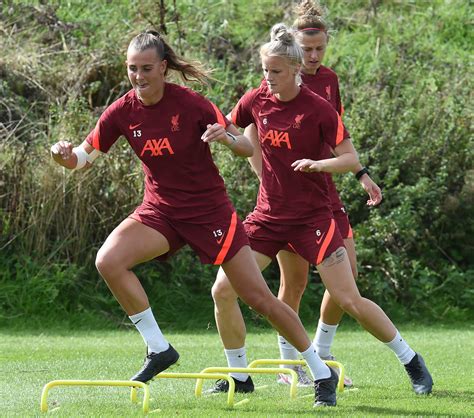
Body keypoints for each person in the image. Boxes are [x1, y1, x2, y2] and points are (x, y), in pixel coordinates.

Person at [50, 29, 344, 408]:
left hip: (209, 213)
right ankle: (159, 349)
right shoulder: (122, 110)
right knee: (108, 260)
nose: (138, 77)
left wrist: (225, 137)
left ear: (164, 68)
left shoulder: (191, 104)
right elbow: (80, 158)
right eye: (131, 69)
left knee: (259, 299)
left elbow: (245, 145)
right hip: (160, 212)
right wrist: (63, 155)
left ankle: (320, 372)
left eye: (145, 69)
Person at [209, 23, 433, 406]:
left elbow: (350, 159)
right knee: (223, 290)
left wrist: (319, 163)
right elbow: (246, 143)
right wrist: (226, 138)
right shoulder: (256, 99)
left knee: (348, 298)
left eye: (276, 72)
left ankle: (411, 361)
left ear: (296, 71)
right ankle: (240, 376)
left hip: (313, 219)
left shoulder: (318, 108)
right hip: (268, 217)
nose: (268, 79)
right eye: (265, 71)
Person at [244, 0, 382, 388]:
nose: (314, 56)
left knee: (348, 279)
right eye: (307, 50)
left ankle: (322, 351)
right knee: (295, 283)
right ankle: (292, 364)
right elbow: (249, 124)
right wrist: (262, 173)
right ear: (293, 50)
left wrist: (361, 175)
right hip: (289, 201)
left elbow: (338, 139)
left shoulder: (329, 80)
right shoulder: (276, 77)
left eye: (321, 48)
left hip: (326, 192)